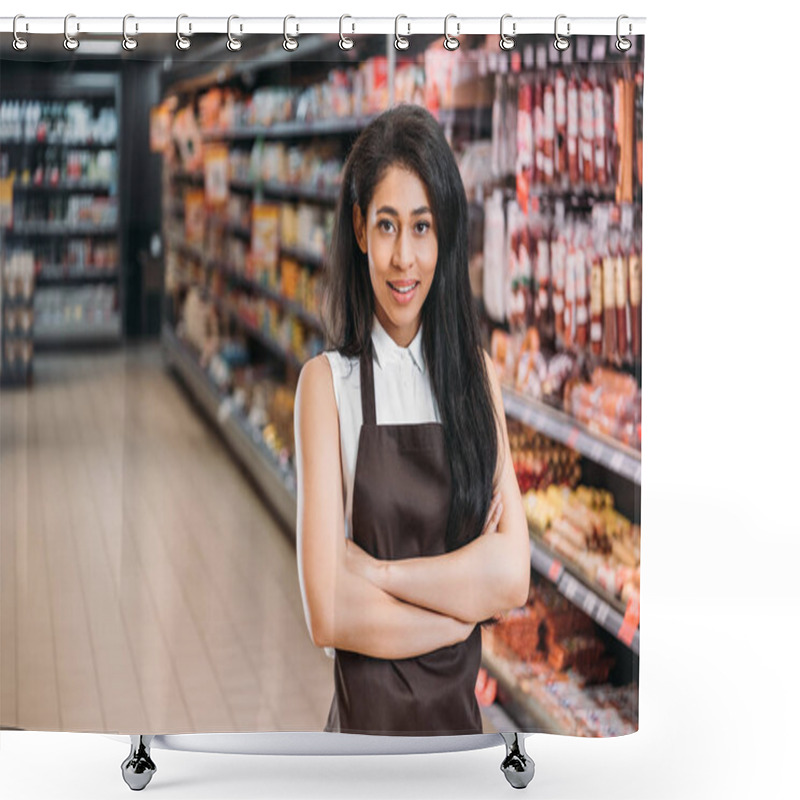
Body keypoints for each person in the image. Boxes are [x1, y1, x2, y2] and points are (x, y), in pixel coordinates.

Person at [293, 103, 530, 737]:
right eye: (388, 225)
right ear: (360, 229)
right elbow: (330, 611)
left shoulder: (476, 378)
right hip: (361, 751)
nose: (405, 258)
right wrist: (458, 618)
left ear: (444, 235)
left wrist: (378, 573)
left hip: (460, 744)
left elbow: (511, 576)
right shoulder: (325, 387)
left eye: (422, 228)